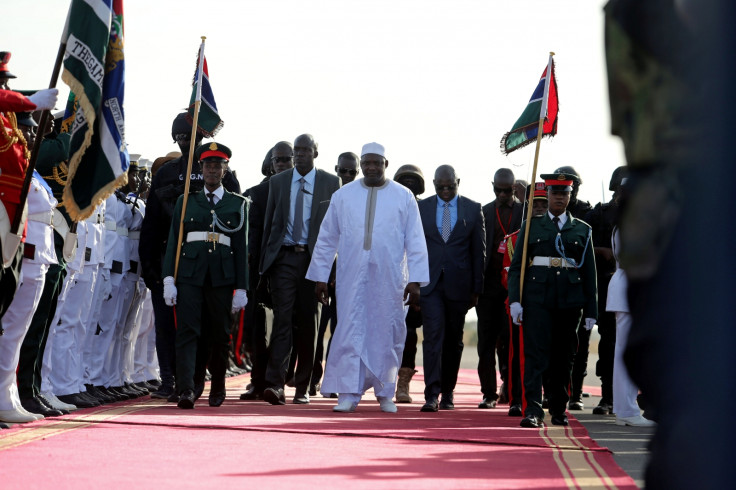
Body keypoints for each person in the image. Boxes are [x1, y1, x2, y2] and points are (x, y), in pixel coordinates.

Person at [306, 142, 429, 413]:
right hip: (351, 276)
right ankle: (348, 393)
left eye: (376, 162)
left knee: (388, 331)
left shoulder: (403, 196)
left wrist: (416, 280)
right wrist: (320, 277)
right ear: (361, 164)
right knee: (350, 328)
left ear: (386, 164)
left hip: (391, 277)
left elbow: (416, 240)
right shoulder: (344, 195)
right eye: (367, 163)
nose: (371, 167)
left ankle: (386, 393)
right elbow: (327, 238)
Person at [139, 112, 240, 401]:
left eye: (190, 136)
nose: (185, 141)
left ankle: (194, 380)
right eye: (180, 137)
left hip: (207, 268)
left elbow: (235, 225)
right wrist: (150, 267)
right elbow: (152, 225)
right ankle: (171, 380)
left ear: (202, 137)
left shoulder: (224, 175)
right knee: (166, 326)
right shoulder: (166, 173)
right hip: (167, 263)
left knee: (203, 328)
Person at [162, 142, 249, 409]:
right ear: (201, 169)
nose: (212, 170)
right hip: (190, 275)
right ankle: (186, 388)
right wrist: (169, 278)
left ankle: (218, 385)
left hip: (222, 277)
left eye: (217, 166)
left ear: (225, 170)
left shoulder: (239, 204)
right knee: (187, 332)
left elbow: (241, 247)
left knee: (219, 334)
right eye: (208, 165)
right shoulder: (186, 201)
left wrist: (242, 287)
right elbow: (175, 241)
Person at [507, 173, 597, 428]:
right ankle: (533, 410)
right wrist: (516, 300)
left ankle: (559, 409)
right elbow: (517, 268)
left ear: (570, 196)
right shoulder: (531, 226)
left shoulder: (582, 229)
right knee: (535, 355)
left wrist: (592, 310)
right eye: (555, 193)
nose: (559, 197)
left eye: (564, 193)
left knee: (563, 357)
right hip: (537, 300)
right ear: (547, 195)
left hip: (569, 302)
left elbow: (589, 274)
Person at [260, 134, 340, 406]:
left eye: (306, 150)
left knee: (310, 324)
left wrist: (329, 272)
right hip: (283, 259)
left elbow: (335, 231)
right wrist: (265, 267)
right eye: (297, 150)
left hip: (314, 261)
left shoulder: (331, 183)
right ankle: (275, 384)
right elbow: (271, 225)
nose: (301, 154)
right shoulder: (278, 182)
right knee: (282, 320)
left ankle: (302, 386)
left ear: (316, 152)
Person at [417, 165, 485, 412]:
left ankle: (448, 392)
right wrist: (412, 281)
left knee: (454, 340)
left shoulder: (473, 209)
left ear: (458, 181)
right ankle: (431, 394)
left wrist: (477, 289)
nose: (445, 191)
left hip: (460, 286)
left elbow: (479, 253)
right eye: (440, 187)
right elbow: (413, 246)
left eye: (450, 186)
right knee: (433, 336)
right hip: (430, 283)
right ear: (434, 183)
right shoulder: (422, 208)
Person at [239, 142, 294, 401]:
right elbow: (249, 236)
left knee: (284, 325)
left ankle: (277, 381)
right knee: (255, 327)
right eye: (277, 160)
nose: (282, 164)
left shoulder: (301, 193)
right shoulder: (255, 194)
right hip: (258, 271)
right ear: (270, 164)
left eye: (286, 159)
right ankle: (257, 380)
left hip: (291, 270)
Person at [310, 151, 361, 397]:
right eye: (343, 171)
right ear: (336, 170)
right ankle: (311, 379)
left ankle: (333, 381)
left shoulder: (363, 201)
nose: (348, 176)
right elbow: (321, 241)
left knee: (340, 332)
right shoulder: (325, 199)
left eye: (353, 172)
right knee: (317, 332)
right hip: (323, 279)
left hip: (348, 282)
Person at [475, 168, 523, 410]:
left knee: (510, 341)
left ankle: (511, 389)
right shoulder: (483, 212)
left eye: (507, 190)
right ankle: (488, 393)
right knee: (486, 342)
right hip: (488, 287)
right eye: (498, 190)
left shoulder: (524, 213)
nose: (502, 194)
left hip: (514, 288)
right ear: (493, 186)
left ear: (515, 188)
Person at [582, 165, 628, 415]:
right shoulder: (598, 214)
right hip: (604, 285)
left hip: (633, 288)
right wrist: (602, 251)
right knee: (609, 344)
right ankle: (608, 397)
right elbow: (578, 241)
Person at [552, 165, 593, 411]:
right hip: (552, 287)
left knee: (579, 345)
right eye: (558, 189)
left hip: (577, 288)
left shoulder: (589, 214)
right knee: (552, 346)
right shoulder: (548, 210)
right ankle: (553, 392)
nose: (566, 192)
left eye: (570, 187)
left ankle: (575, 392)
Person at [392, 164, 426, 403]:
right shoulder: (387, 207)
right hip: (387, 279)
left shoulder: (424, 210)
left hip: (414, 283)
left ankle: (402, 384)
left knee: (410, 334)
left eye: (413, 184)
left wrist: (419, 283)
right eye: (404, 183)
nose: (409, 188)